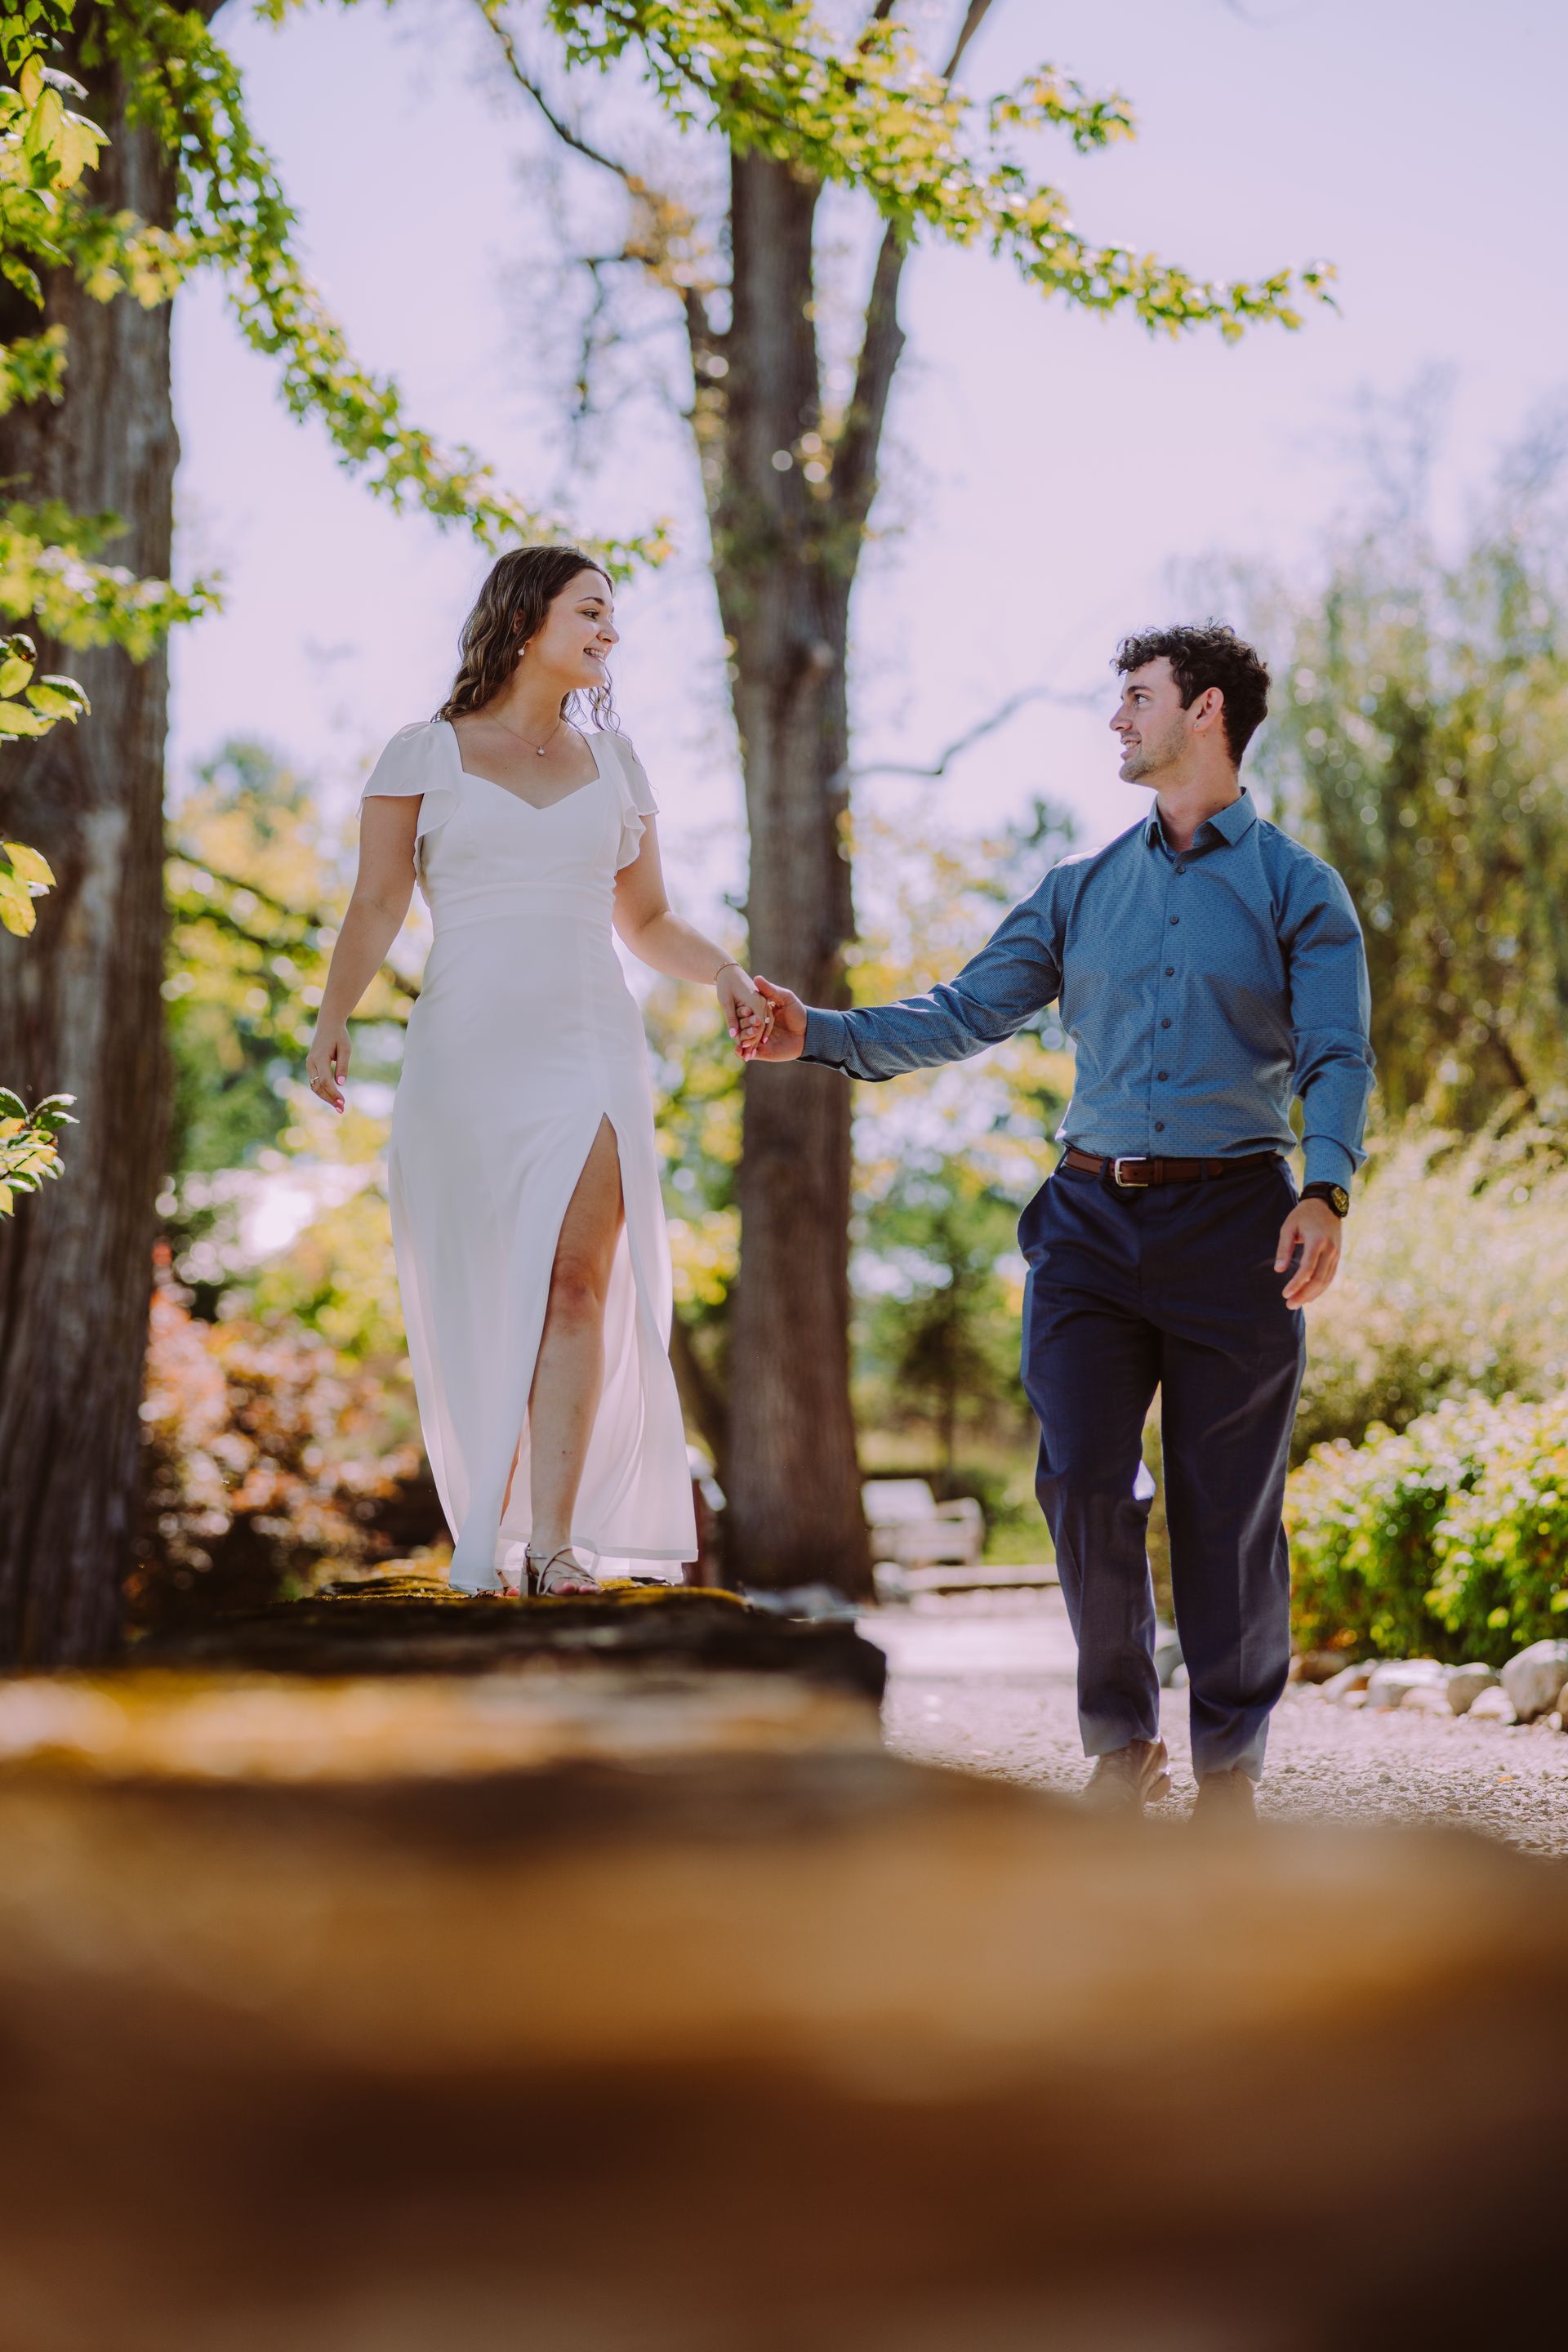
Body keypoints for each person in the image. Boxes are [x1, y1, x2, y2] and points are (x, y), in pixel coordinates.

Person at [743, 623, 1374, 1820]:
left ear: (1209, 713)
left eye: (1138, 697)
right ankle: (1122, 1740)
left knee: (1226, 1509)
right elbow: (965, 1012)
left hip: (1240, 1223)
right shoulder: (1079, 893)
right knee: (1085, 1477)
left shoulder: (1300, 889)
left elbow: (1339, 1053)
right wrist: (813, 1032)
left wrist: (1325, 1187)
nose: (1117, 719)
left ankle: (1230, 1766)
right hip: (1088, 1223)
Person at [305, 546, 767, 1597]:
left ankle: (556, 1542)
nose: (611, 631)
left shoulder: (617, 766)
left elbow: (645, 920)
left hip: (590, 1042)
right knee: (483, 1291)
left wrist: (729, 972)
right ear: (525, 622)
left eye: (614, 616)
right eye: (591, 610)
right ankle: (487, 1522)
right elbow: (378, 902)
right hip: (465, 1049)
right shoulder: (422, 754)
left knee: (576, 1280)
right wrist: (334, 1018)